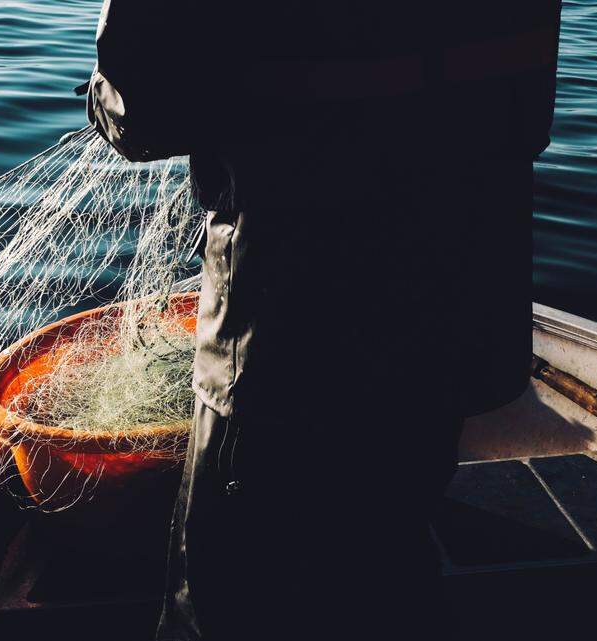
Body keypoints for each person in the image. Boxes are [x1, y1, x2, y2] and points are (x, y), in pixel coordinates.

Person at [85, 2, 562, 639]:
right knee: (386, 550)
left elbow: (143, 110)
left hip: (287, 328)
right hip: (454, 304)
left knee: (235, 593)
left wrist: (99, 99)